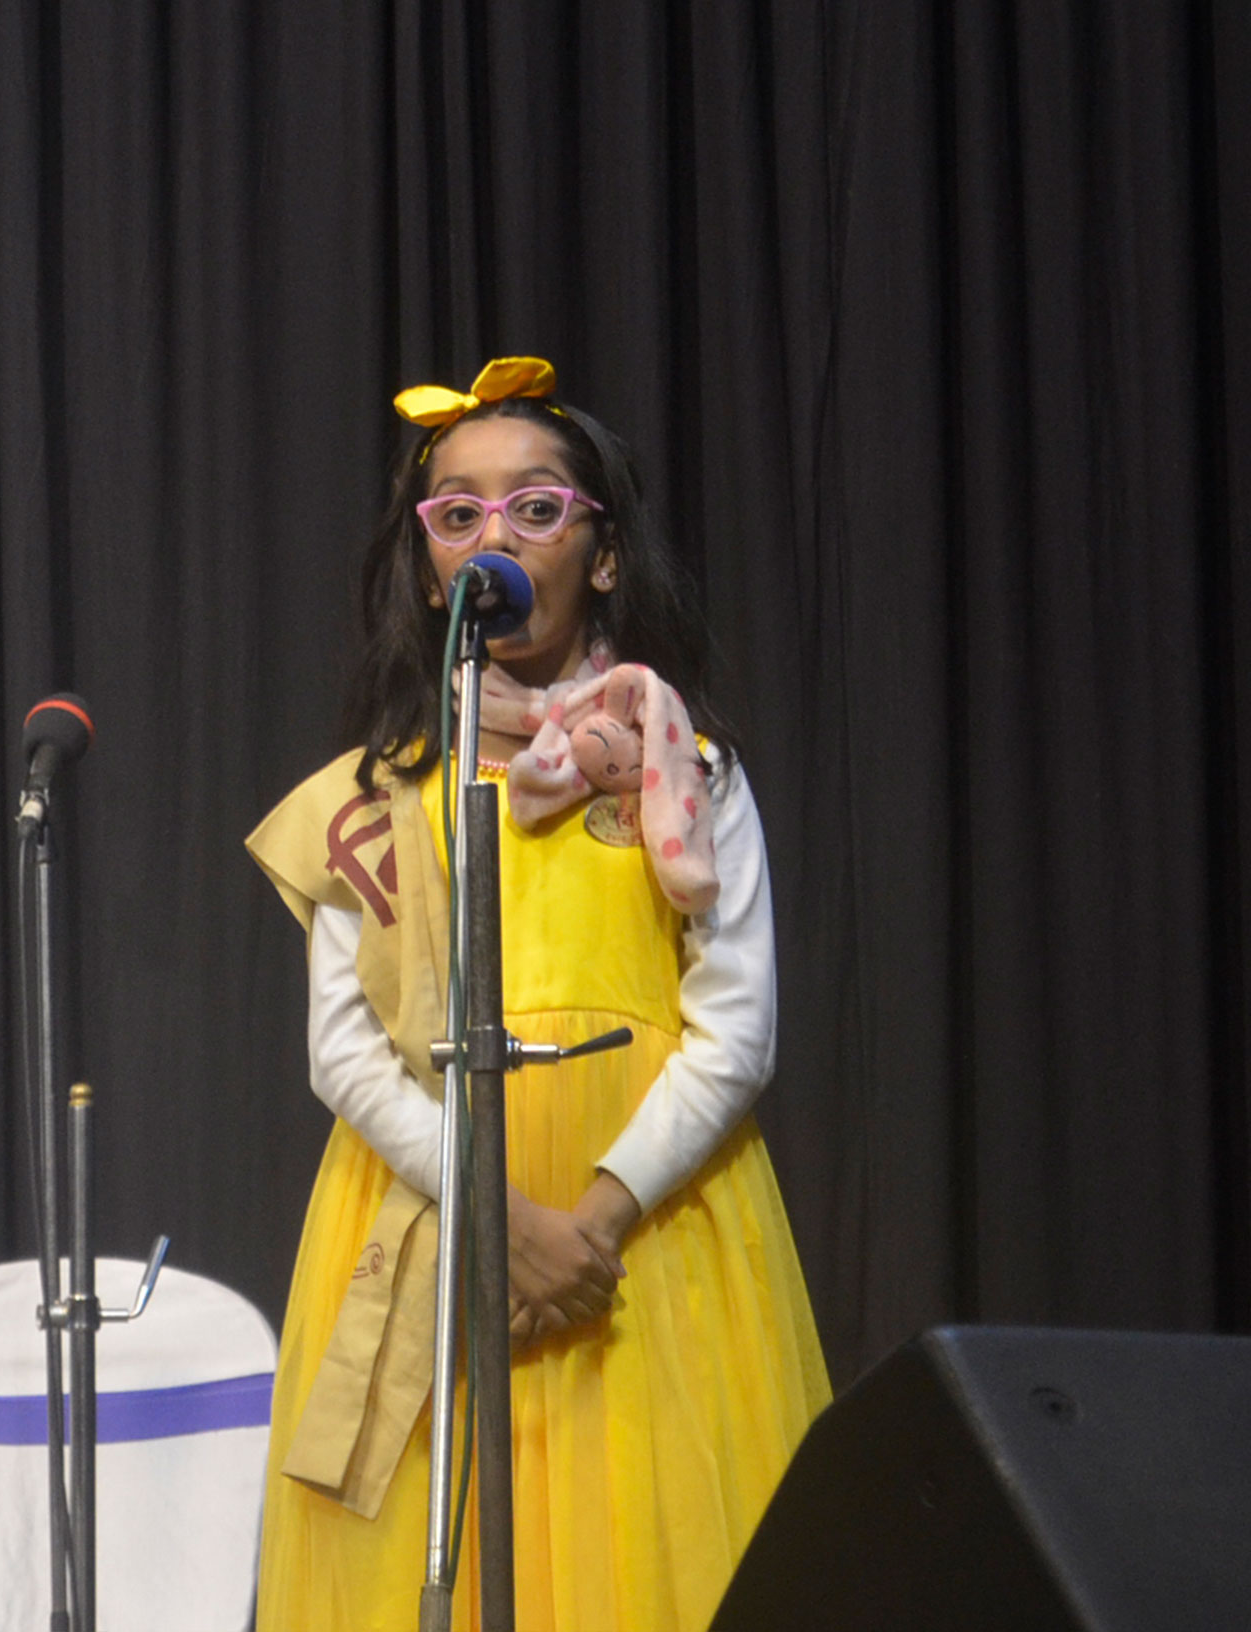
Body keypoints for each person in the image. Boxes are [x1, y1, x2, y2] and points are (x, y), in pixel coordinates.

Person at [245, 358, 830, 1631]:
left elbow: (737, 1030)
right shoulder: (369, 800)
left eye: (535, 508)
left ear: (603, 555)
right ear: (428, 569)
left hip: (643, 1247)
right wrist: (499, 1221)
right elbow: (344, 1054)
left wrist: (587, 1228)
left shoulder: (686, 769)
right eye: (457, 514)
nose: (493, 539)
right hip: (439, 1230)